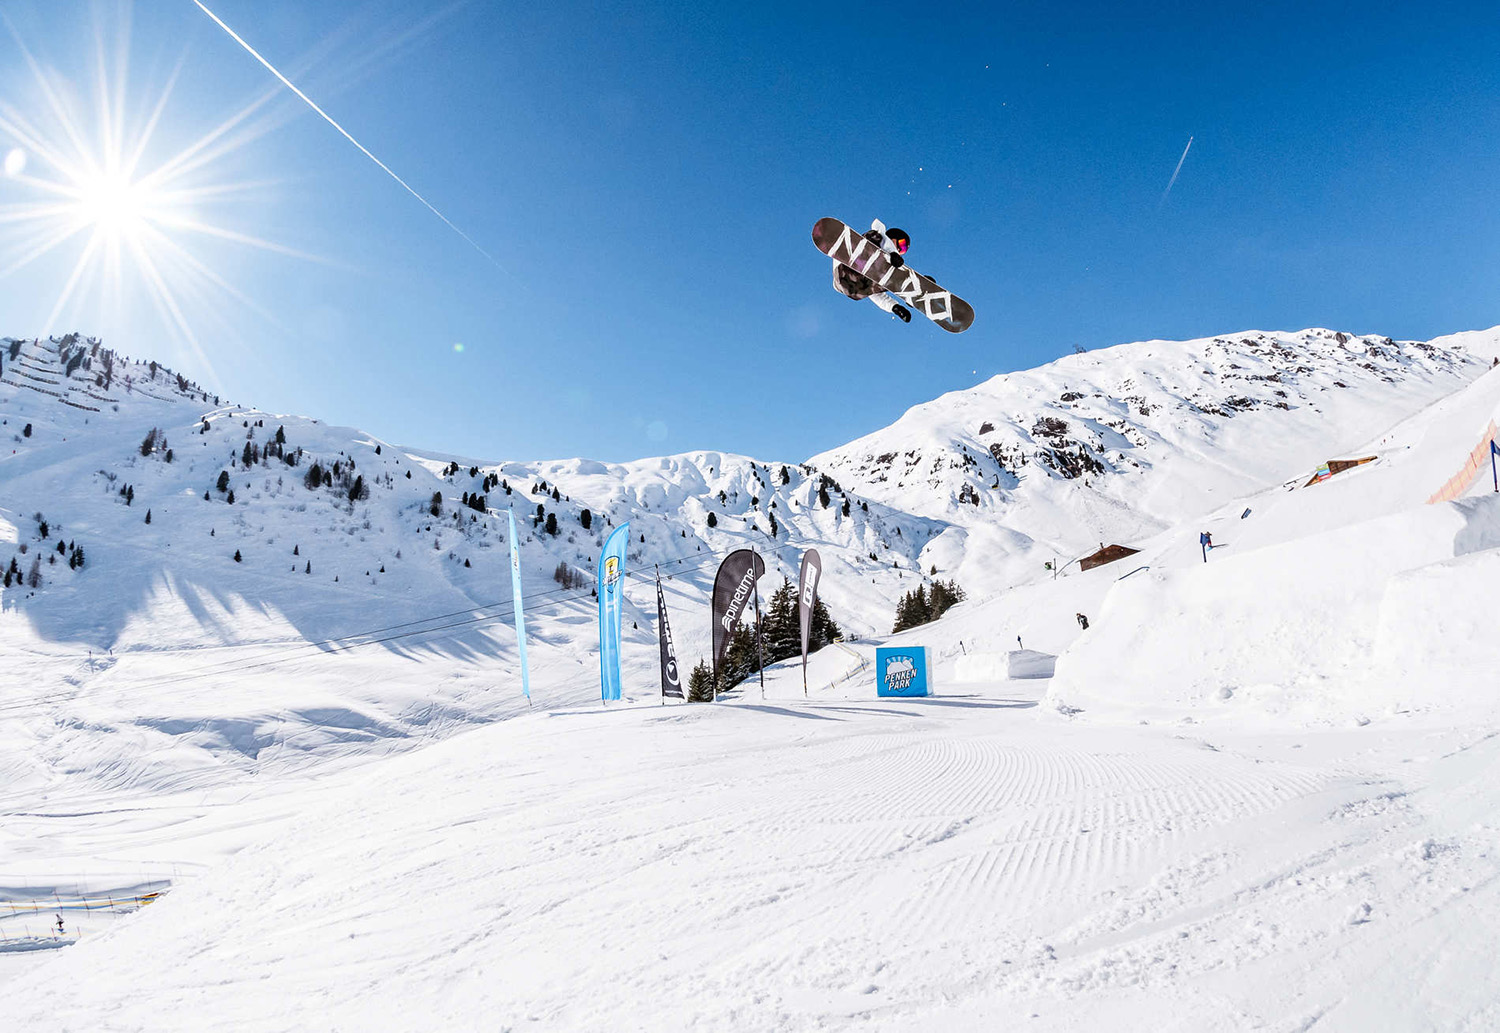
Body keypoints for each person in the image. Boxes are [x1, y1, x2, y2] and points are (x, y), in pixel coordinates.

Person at [832, 220, 913, 322]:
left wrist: (895, 307)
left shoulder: (883, 268)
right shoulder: (877, 236)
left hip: (854, 288)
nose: (901, 250)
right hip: (846, 268)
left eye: (904, 250)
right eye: (902, 244)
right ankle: (908, 286)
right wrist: (891, 252)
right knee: (876, 237)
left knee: (889, 275)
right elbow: (877, 225)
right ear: (892, 238)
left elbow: (875, 293)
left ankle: (910, 289)